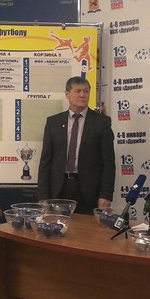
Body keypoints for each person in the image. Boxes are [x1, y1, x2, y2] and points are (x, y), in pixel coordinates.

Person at [38, 76, 115, 214]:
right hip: (59, 190)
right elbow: (45, 162)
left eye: (86, 91)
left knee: (86, 228)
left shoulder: (101, 123)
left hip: (89, 192)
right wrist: (43, 196)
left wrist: (106, 195)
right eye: (78, 91)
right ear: (67, 93)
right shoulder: (53, 122)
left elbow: (108, 163)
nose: (82, 95)